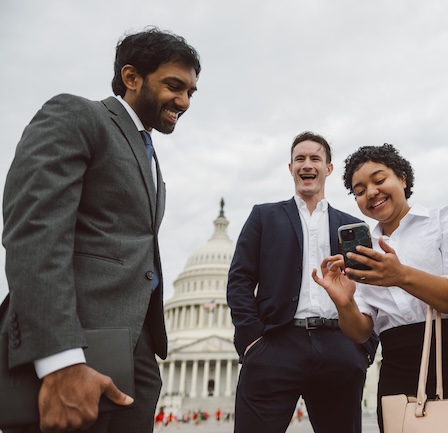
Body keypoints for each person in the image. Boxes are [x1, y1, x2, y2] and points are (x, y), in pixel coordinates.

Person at [1, 27, 200, 433]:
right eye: (174, 86)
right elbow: (34, 232)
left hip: (133, 353)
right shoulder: (78, 115)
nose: (183, 101)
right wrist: (61, 360)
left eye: (191, 93)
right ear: (131, 77)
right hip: (78, 347)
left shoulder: (148, 154)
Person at [312, 143, 448, 431]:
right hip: (399, 366)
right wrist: (344, 303)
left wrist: (401, 276)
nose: (370, 192)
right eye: (359, 190)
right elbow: (360, 332)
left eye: (379, 180)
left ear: (403, 178)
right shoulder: (364, 254)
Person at [226, 131, 379, 433]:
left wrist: (364, 348)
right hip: (275, 343)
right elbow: (240, 280)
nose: (307, 164)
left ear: (328, 168)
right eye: (300, 159)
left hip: (339, 344)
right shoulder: (263, 216)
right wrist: (252, 341)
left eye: (315, 159)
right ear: (291, 167)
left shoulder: (351, 225)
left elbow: (370, 286)